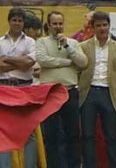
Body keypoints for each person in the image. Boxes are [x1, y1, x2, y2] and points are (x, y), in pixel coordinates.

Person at [36, 11, 88, 168]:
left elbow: (83, 62)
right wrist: (66, 62)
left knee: (72, 133)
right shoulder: (42, 42)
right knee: (51, 134)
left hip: (69, 91)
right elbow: (43, 60)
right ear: (49, 25)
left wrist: (67, 47)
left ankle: (73, 165)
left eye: (60, 23)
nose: (58, 27)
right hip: (50, 92)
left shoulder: (72, 43)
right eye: (55, 24)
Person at [77, 11, 116, 168]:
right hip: (88, 93)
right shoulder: (83, 46)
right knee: (88, 136)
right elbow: (78, 69)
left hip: (109, 94)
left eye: (104, 25)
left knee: (112, 136)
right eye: (98, 25)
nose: (102, 28)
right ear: (93, 27)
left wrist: (114, 87)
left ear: (109, 26)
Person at [0, 8, 38, 168]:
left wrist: (6, 59)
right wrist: (19, 62)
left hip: (24, 89)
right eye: (14, 20)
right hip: (3, 89)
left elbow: (28, 64)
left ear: (23, 23)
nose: (17, 23)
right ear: (9, 21)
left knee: (28, 132)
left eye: (20, 20)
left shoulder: (30, 42)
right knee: (3, 132)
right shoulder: (0, 41)